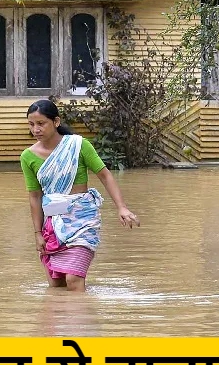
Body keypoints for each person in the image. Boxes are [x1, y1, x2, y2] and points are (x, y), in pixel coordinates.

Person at [21, 99, 139, 291]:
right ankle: (60, 319)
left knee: (74, 280)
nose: (36, 129)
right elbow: (34, 196)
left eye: (41, 123)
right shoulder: (27, 156)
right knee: (56, 285)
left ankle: (79, 318)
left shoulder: (78, 145)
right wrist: (37, 233)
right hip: (52, 226)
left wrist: (121, 207)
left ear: (56, 122)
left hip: (82, 221)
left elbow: (104, 175)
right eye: (31, 124)